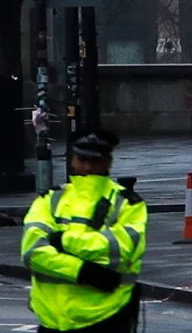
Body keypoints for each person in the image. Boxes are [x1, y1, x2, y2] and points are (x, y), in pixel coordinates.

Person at [23, 130, 145, 333]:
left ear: (109, 163)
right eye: (83, 159)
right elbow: (31, 252)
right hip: (52, 320)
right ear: (73, 160)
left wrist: (63, 241)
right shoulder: (50, 199)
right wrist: (84, 271)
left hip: (106, 317)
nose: (88, 167)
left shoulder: (127, 203)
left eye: (95, 161)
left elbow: (119, 251)